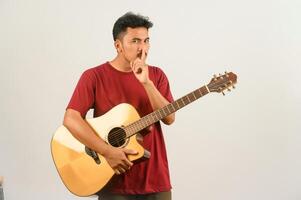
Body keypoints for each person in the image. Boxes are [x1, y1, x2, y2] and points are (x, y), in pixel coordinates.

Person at [63, 12, 175, 200]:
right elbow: (70, 119)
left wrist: (146, 83)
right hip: (112, 181)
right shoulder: (94, 76)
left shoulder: (157, 75)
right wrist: (107, 151)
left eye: (146, 41)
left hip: (155, 179)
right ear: (118, 45)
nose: (143, 48)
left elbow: (169, 118)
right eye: (135, 41)